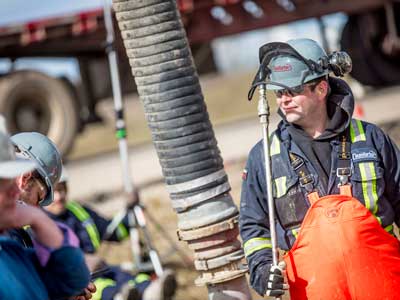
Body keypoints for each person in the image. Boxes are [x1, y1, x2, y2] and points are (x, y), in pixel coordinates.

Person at [239, 38, 400, 300]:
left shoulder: (370, 139)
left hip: (385, 286)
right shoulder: (265, 157)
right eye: (279, 93)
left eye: (292, 90)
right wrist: (261, 269)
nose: (284, 100)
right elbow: (253, 226)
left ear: (321, 88)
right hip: (313, 289)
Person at [43, 165, 177, 300]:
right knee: (103, 288)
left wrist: (131, 212)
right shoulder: (36, 224)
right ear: (43, 193)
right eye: (54, 192)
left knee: (129, 278)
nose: (59, 197)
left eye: (62, 189)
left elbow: (114, 231)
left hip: (101, 269)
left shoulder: (79, 212)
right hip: (75, 280)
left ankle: (152, 291)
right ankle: (120, 296)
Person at [0, 128, 90, 299]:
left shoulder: (11, 246)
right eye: (39, 197)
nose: (37, 207)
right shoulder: (11, 240)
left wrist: (38, 219)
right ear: (25, 179)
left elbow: (75, 279)